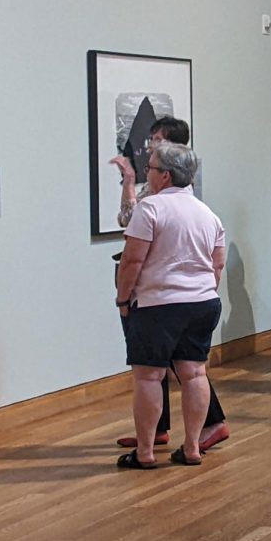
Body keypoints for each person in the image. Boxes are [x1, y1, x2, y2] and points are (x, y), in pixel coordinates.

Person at [109, 117, 228, 452]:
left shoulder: (151, 208)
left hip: (159, 303)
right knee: (194, 373)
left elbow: (132, 261)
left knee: (148, 376)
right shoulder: (208, 213)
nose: (148, 168)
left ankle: (146, 452)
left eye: (152, 166)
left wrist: (123, 299)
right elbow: (217, 263)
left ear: (166, 174)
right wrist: (204, 291)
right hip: (203, 302)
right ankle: (191, 447)